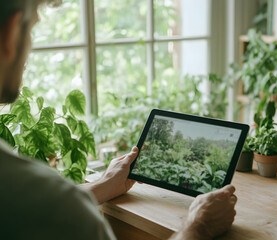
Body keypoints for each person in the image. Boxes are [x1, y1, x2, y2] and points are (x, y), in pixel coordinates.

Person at [0, 1, 237, 239]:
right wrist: (199, 226)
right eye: (31, 29)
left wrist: (102, 186)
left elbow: (44, 206)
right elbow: (52, 208)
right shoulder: (64, 212)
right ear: (11, 34)